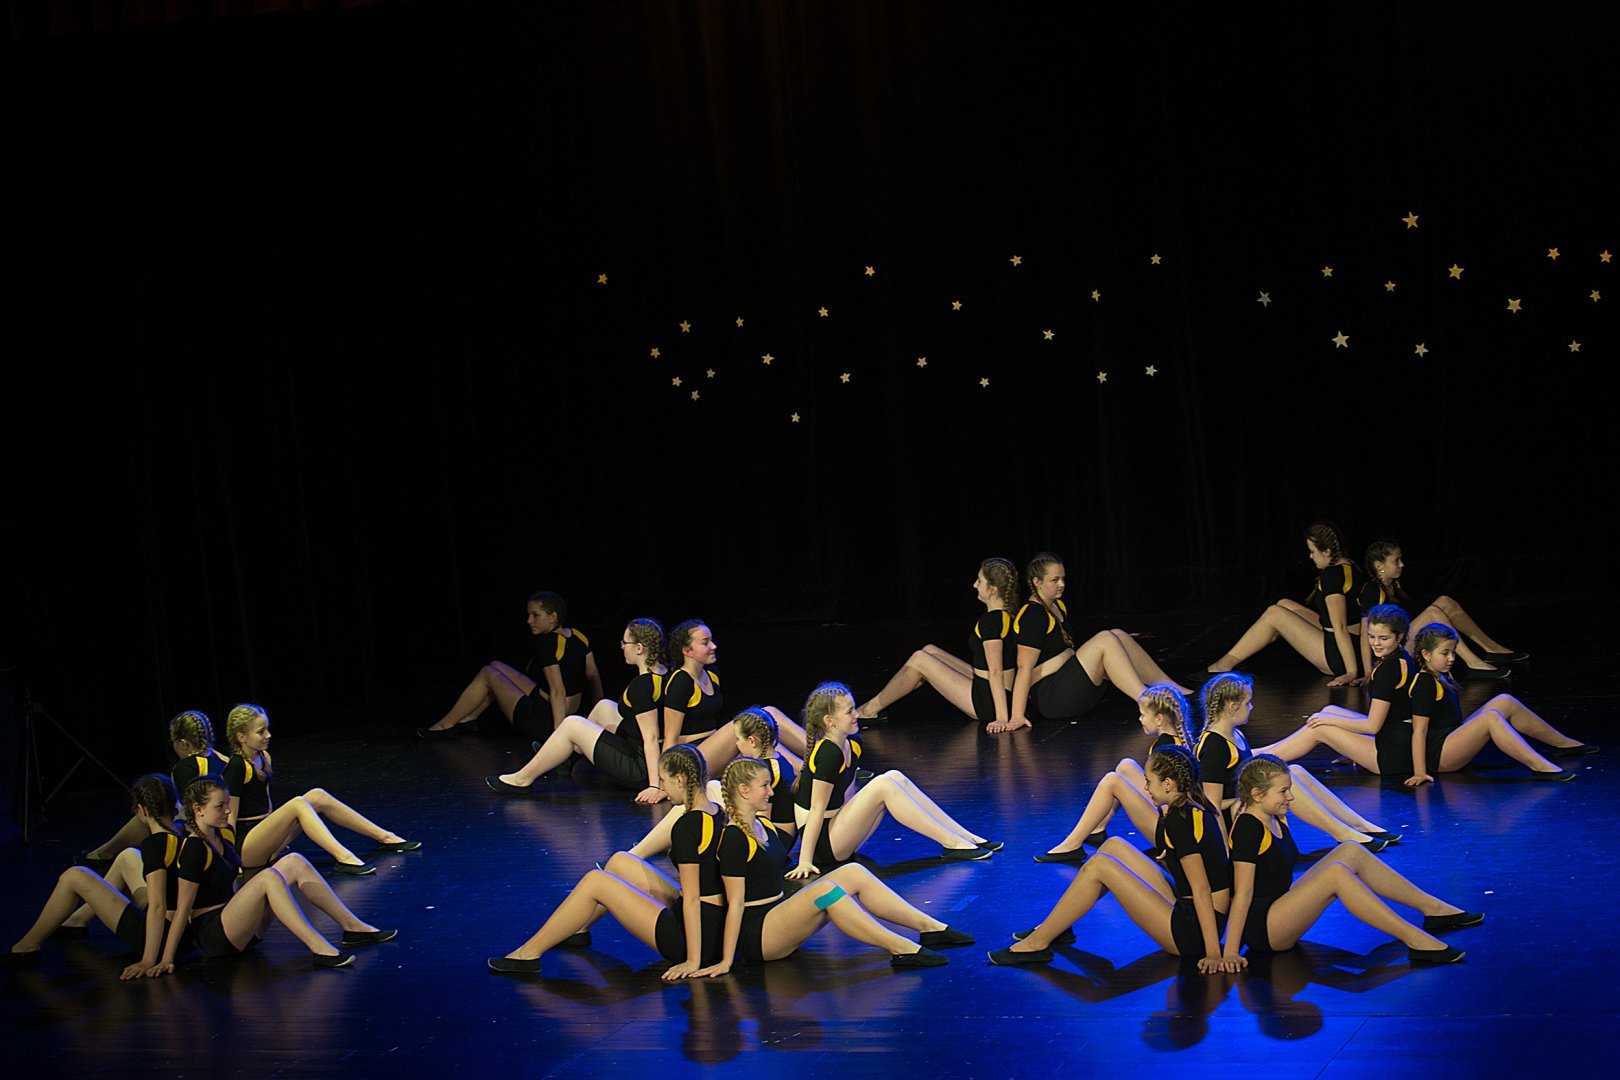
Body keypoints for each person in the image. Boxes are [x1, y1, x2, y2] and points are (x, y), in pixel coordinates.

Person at [697, 757, 975, 973]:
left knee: (853, 872)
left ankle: (930, 928)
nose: (771, 791)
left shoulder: (764, 826)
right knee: (827, 892)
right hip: (759, 935)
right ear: (744, 791)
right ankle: (900, 947)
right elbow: (734, 903)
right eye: (764, 786)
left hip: (777, 914)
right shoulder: (733, 838)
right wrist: (727, 961)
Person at [1256, 612, 1592, 784]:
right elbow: (1399, 724)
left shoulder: (1404, 670)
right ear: (1426, 655)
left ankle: (1558, 749)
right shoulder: (1405, 664)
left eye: (1382, 638)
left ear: (1401, 639)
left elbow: (1385, 726)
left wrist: (1339, 728)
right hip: (1418, 747)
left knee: (1499, 707)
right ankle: (1259, 755)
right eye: (1372, 637)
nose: (1375, 643)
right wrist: (1348, 741)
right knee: (1327, 713)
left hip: (1422, 750)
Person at [487, 745, 728, 977]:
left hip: (692, 938)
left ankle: (528, 954)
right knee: (619, 861)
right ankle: (577, 928)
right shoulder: (716, 811)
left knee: (595, 881)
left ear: (680, 779)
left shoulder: (687, 826)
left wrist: (692, 960)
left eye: (663, 781)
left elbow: (692, 899)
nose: (662, 788)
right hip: (711, 924)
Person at [988, 745, 1233, 969]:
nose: (1146, 787)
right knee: (1113, 846)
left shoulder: (1180, 821)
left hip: (1193, 932)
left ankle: (1037, 943)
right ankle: (1057, 927)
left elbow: (1201, 889)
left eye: (1149, 782)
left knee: (1098, 866)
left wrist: (1212, 953)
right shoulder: (1193, 804)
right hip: (1196, 910)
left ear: (1168, 784)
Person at [1219, 757, 1480, 967]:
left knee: (1351, 850)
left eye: (1289, 789)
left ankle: (1433, 909)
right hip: (1264, 929)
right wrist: (1230, 952)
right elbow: (1242, 894)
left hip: (1280, 904)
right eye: (1283, 791)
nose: (1291, 797)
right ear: (1257, 794)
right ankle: (1414, 938)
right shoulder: (1247, 828)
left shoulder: (1275, 817)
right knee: (1336, 874)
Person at [153, 778, 396, 972]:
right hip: (217, 936)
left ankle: (352, 927)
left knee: (293, 861)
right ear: (198, 810)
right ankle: (318, 946)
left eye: (227, 803)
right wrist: (166, 959)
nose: (228, 810)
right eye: (220, 806)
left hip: (241, 926)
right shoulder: (194, 848)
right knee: (268, 877)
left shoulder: (223, 835)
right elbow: (183, 909)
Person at [789, 682, 994, 876]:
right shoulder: (828, 754)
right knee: (883, 784)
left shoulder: (853, 744)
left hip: (837, 832)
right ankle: (953, 844)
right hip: (823, 846)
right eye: (849, 711)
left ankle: (965, 837)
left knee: (894, 777)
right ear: (829, 721)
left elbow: (845, 796)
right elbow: (816, 809)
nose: (856, 714)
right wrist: (805, 861)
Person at [1196, 674, 1400, 848]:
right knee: (1286, 782)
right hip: (1235, 816)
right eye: (1247, 703)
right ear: (1232, 707)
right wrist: (1224, 851)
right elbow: (1212, 806)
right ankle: (1342, 833)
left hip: (1249, 800)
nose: (1251, 707)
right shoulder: (1215, 746)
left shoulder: (1235, 734)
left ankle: (1358, 825)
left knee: (1294, 771)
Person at [7, 775, 183, 975]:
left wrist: (147, 960)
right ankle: (76, 920)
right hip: (177, 929)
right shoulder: (180, 835)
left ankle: (27, 946)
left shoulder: (155, 846)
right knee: (128, 856)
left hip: (158, 935)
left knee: (73, 876)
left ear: (142, 810)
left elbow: (158, 906)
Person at [1003, 553, 1192, 733]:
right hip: (1052, 699)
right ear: (1037, 582)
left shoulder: (1057, 606)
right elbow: (1024, 668)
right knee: (1105, 639)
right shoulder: (1033, 615)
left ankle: (1172, 689)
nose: (1062, 584)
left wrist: (1067, 657)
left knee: (1118, 635)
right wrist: (1017, 715)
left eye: (1063, 578)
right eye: (1055, 580)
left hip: (1067, 684)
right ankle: (1147, 702)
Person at [223, 704, 421, 875]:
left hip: (264, 839)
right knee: (298, 804)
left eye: (267, 729)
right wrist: (231, 860)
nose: (268, 735)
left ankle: (385, 837)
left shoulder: (263, 757)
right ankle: (344, 857)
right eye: (261, 732)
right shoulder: (237, 766)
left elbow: (266, 805)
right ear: (241, 737)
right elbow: (229, 817)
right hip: (245, 849)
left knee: (317, 795)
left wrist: (278, 836)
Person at [1034, 683, 1197, 863]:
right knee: (1125, 766)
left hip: (1171, 834)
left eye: (1143, 715)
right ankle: (1097, 830)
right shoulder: (1177, 741)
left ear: (1159, 719)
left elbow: (1169, 801)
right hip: (1180, 823)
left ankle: (1072, 844)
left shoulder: (1163, 749)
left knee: (1111, 781)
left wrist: (1172, 844)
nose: (1140, 719)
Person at [856, 557, 1021, 730]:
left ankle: (869, 710)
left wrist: (1001, 718)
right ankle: (873, 707)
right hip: (993, 690)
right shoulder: (1006, 615)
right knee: (930, 651)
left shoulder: (991, 621)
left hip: (988, 703)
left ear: (993, 590)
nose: (974, 585)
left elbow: (996, 671)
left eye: (979, 581)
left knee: (919, 659)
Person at [420, 591, 603, 738]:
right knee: (496, 666)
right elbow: (593, 676)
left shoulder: (546, 642)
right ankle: (469, 718)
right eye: (529, 615)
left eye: (535, 615)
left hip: (543, 720)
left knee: (488, 673)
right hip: (561, 710)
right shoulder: (579, 636)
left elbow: (557, 690)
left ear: (553, 617)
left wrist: (558, 735)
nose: (529, 621)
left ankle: (445, 726)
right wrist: (599, 714)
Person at [630, 708, 800, 861]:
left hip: (774, 842)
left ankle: (637, 854)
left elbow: (763, 820)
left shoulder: (765, 771)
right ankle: (654, 845)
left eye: (738, 739)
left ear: (752, 741)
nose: (736, 745)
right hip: (777, 838)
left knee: (701, 796)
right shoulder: (778, 760)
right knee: (707, 793)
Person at [1208, 522, 1363, 686]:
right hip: (1351, 643)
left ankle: (1223, 665)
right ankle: (1244, 652)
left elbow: (1340, 627)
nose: (1310, 557)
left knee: (1274, 614)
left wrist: (1351, 672)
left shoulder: (1332, 577)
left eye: (1312, 551)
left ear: (1327, 551)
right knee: (1284, 604)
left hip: (1339, 656)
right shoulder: (1349, 566)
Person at [1361, 539, 1524, 677]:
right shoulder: (1372, 590)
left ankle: (1492, 649)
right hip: (1390, 653)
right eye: (1396, 561)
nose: (1402, 564)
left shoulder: (1394, 586)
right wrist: (1369, 672)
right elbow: (1365, 632)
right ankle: (1473, 663)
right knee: (1433, 613)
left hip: (1402, 642)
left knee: (1445, 601)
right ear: (1379, 565)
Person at [82, 710, 226, 864]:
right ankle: (103, 853)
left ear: (183, 743)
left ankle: (103, 854)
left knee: (152, 814)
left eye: (173, 742)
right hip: (226, 827)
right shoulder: (224, 760)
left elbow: (192, 812)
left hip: (207, 832)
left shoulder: (185, 767)